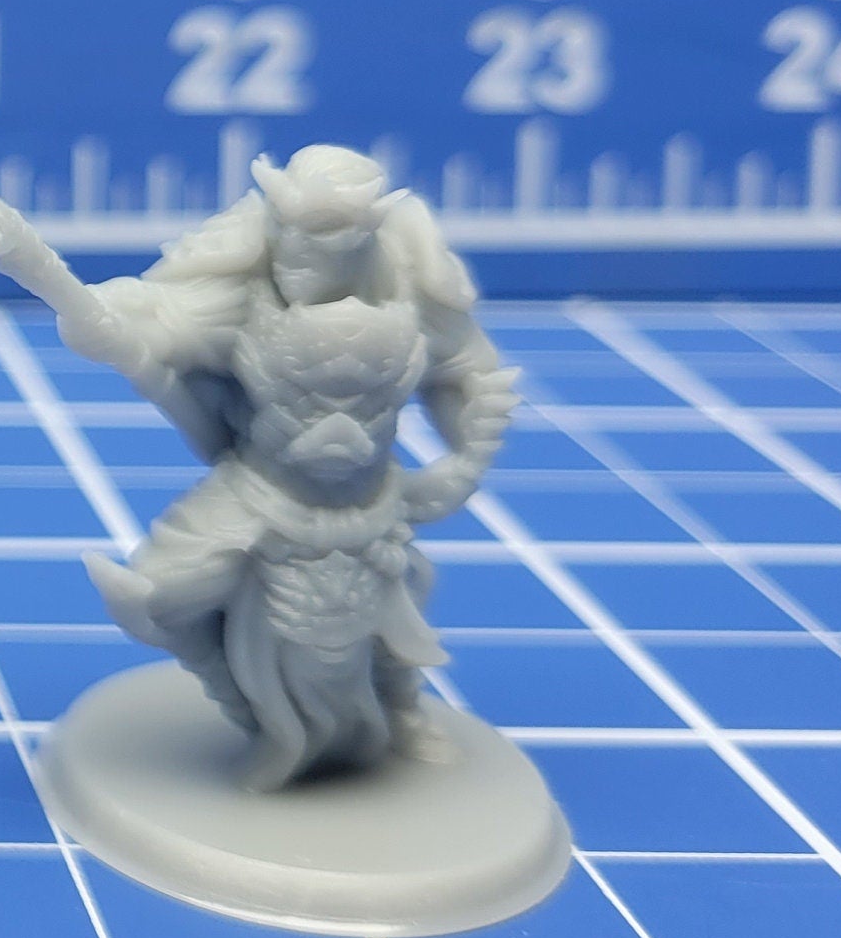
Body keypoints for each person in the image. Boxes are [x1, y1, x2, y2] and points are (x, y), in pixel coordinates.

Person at [63, 144, 520, 787]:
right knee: (155, 599)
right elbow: (163, 319)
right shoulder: (245, 289)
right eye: (293, 236)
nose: (300, 257)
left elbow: (467, 368)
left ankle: (402, 711)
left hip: (371, 500)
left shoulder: (410, 289)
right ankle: (240, 702)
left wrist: (473, 428)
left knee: (393, 614)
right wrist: (109, 321)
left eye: (323, 240)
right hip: (261, 492)